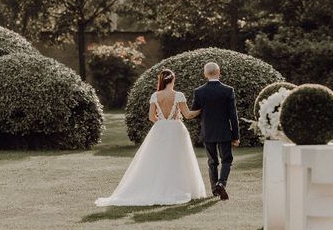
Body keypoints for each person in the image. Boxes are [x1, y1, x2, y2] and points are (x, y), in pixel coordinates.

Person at [95, 69, 206, 206]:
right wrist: (202, 109)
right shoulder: (178, 95)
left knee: (158, 159)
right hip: (176, 129)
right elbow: (188, 115)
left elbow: (151, 117)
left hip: (159, 129)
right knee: (178, 159)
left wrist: (162, 123)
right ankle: (178, 187)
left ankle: (158, 186)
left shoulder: (155, 95)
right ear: (173, 79)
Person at [191, 62, 240, 200]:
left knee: (212, 161)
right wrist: (236, 135)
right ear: (219, 72)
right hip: (224, 131)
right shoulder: (228, 90)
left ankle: (215, 190)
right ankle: (221, 183)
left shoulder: (199, 91)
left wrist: (205, 117)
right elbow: (233, 115)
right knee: (227, 159)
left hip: (208, 131)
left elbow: (195, 112)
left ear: (205, 74)